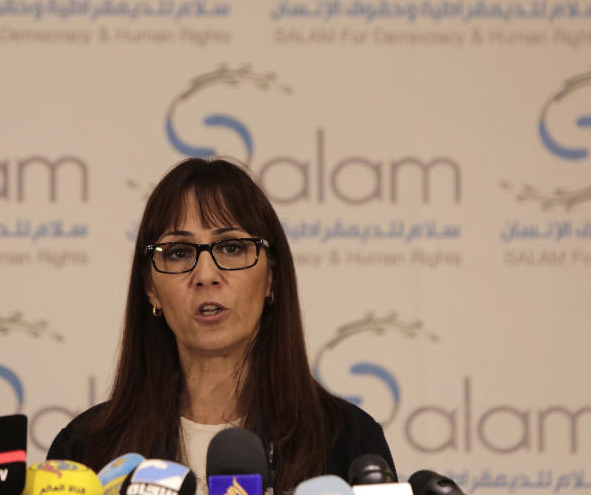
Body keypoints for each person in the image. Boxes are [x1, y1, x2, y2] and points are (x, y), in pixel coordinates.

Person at [48, 158, 395, 493]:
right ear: (151, 289)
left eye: (231, 247)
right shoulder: (85, 451)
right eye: (179, 252)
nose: (206, 275)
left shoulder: (349, 442)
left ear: (272, 278)